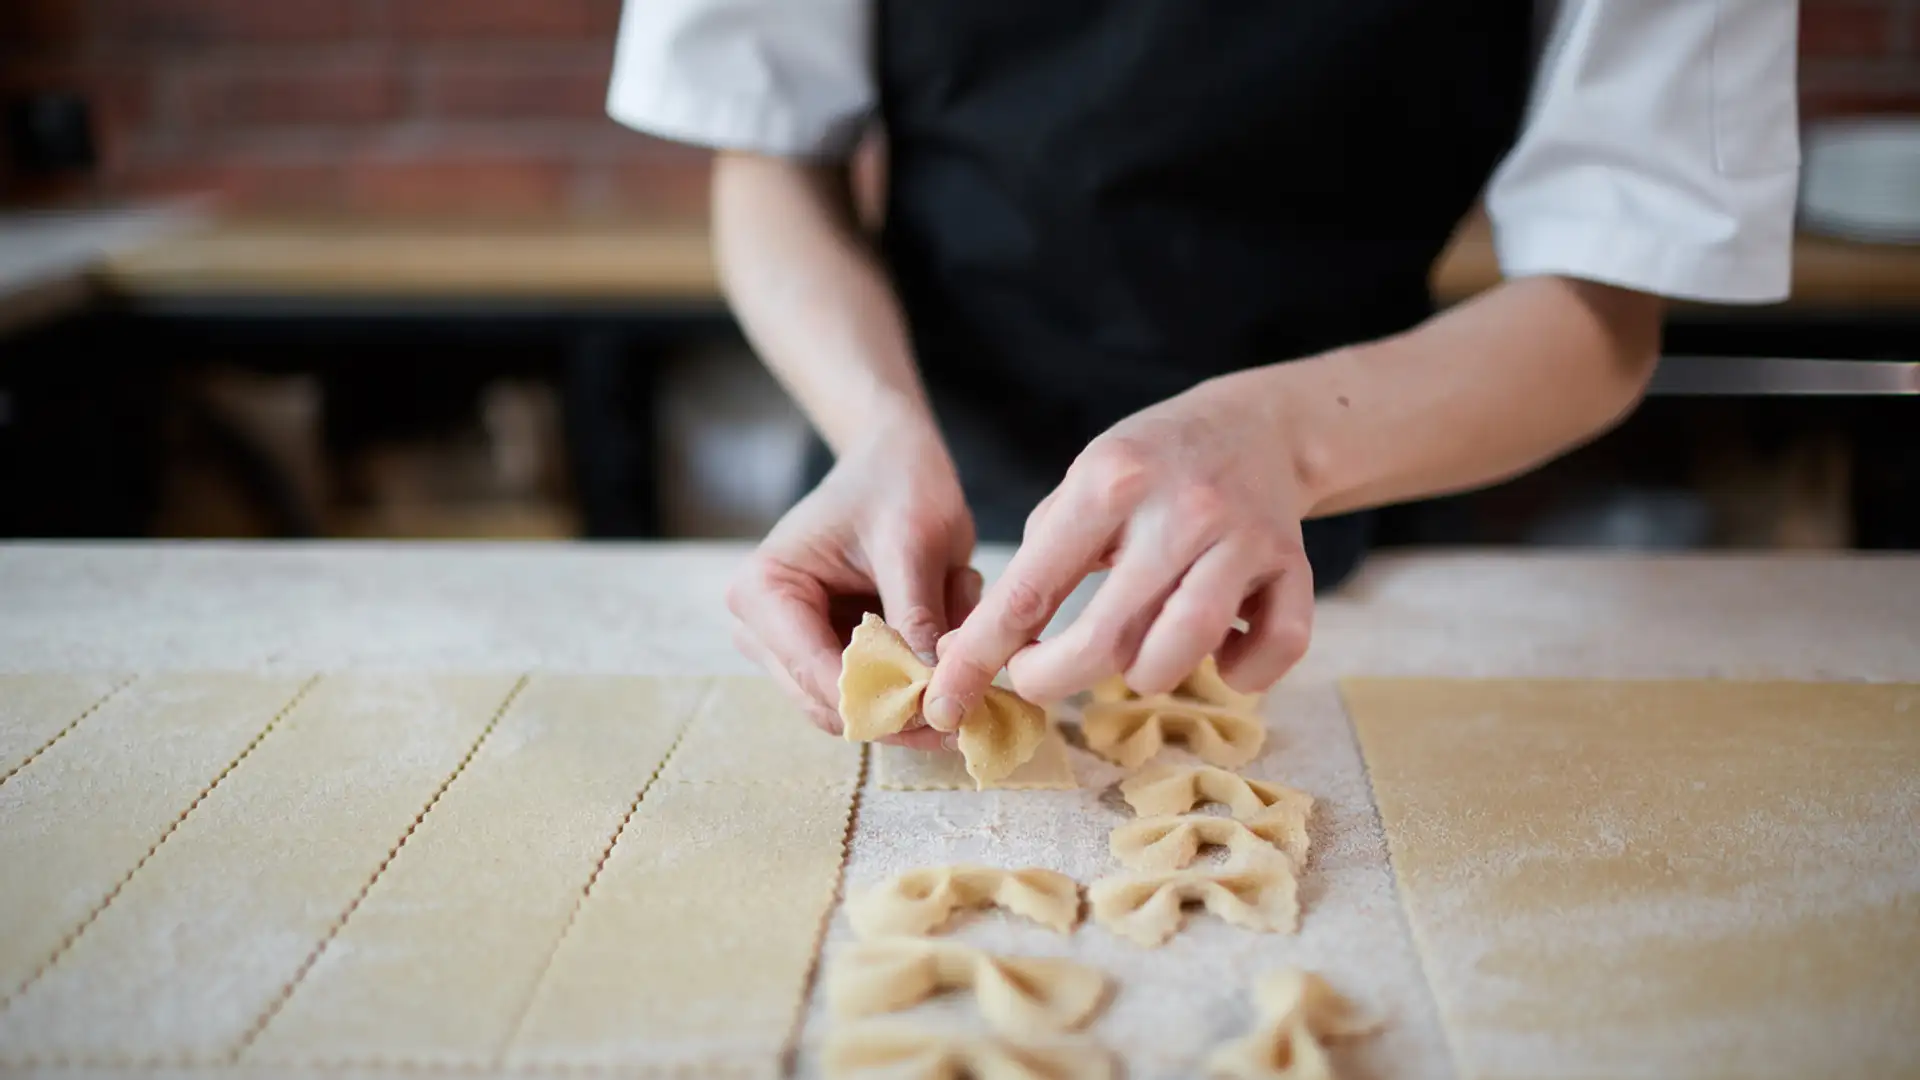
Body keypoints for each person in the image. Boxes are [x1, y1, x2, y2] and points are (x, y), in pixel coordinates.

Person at [608, 1, 1800, 747]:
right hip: (917, 491)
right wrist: (873, 425)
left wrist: (1285, 440)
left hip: (1351, 502)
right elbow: (768, 159)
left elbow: (1605, 307)